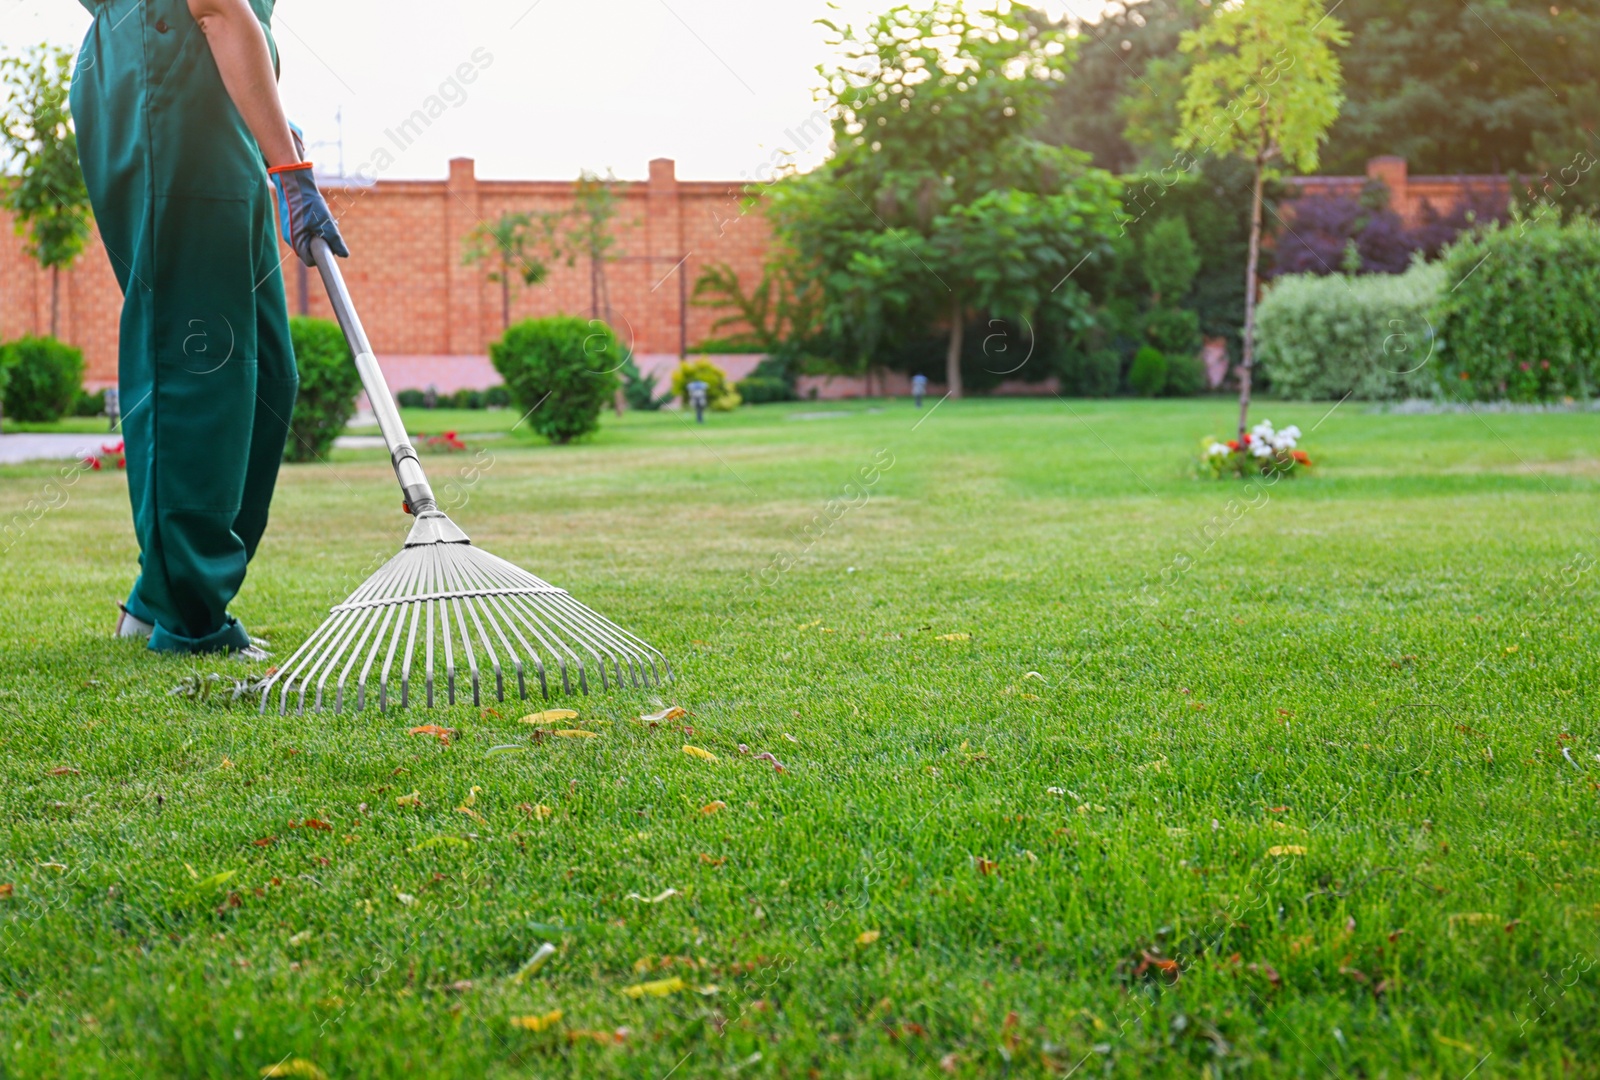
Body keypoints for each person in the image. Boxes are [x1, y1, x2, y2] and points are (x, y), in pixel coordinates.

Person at [71, 0, 347, 657]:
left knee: (266, 377)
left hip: (204, 94)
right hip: (169, 84)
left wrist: (268, 123)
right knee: (198, 366)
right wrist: (288, 167)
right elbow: (216, 6)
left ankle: (157, 598)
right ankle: (190, 620)